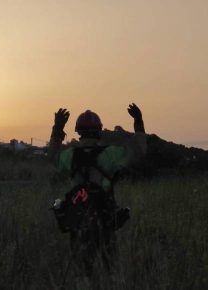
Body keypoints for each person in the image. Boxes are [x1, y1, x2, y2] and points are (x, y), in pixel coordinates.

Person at [48, 103, 147, 275]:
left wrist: (57, 129)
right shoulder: (111, 154)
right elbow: (139, 154)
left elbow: (53, 157)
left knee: (83, 272)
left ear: (78, 133)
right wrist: (138, 123)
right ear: (99, 131)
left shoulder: (68, 156)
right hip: (105, 221)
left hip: (78, 222)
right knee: (111, 271)